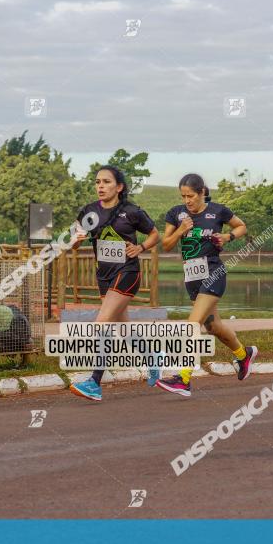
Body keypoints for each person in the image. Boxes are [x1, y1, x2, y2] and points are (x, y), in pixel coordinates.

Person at [154, 174, 257, 397]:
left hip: (213, 272)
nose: (187, 200)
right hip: (192, 276)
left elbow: (241, 227)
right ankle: (244, 354)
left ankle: (183, 378)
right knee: (213, 327)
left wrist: (228, 237)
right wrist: (181, 229)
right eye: (183, 196)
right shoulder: (176, 213)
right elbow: (167, 244)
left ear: (202, 193)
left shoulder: (218, 211)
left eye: (190, 196)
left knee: (192, 325)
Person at [69, 165, 160, 402]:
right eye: (97, 181)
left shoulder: (131, 211)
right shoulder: (88, 212)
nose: (100, 186)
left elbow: (155, 235)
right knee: (123, 327)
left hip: (127, 272)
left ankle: (94, 382)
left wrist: (140, 247)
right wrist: (76, 240)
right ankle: (152, 357)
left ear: (119, 187)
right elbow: (74, 241)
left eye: (106, 182)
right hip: (104, 275)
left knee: (101, 323)